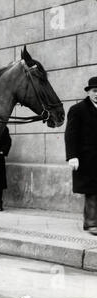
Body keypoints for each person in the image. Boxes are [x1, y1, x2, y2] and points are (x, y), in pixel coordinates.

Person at [65, 77, 97, 236]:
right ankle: (91, 223)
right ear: (88, 92)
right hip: (87, 159)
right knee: (92, 190)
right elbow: (70, 135)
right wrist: (72, 156)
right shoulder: (78, 109)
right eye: (94, 91)